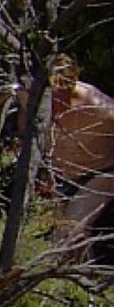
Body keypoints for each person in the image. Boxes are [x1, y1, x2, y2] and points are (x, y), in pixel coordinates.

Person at [49, 57, 114, 256]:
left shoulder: (94, 103)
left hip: (99, 173)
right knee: (55, 241)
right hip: (58, 177)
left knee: (70, 231)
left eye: (64, 90)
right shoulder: (31, 103)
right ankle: (82, 270)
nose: (58, 99)